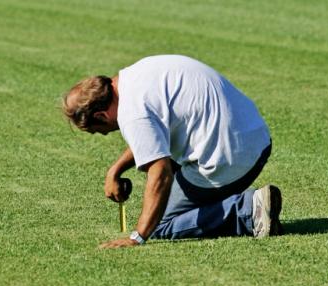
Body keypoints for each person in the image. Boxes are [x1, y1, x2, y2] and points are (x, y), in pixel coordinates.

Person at [62, 55, 282, 249]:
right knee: (162, 194)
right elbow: (151, 137)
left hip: (230, 159)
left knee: (160, 223)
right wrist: (115, 170)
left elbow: (161, 174)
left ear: (101, 116)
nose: (103, 134)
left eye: (96, 131)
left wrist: (138, 236)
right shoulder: (135, 75)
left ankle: (248, 210)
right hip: (257, 138)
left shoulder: (132, 113)